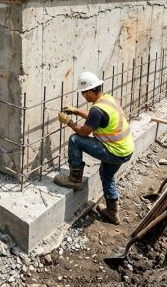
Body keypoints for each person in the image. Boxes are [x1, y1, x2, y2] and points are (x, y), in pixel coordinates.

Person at [54, 71, 135, 224]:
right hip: (126, 149)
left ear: (90, 91)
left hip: (114, 151)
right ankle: (112, 212)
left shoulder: (97, 110)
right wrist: (76, 111)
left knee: (74, 140)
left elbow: (83, 132)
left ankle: (74, 179)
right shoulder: (106, 99)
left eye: (84, 93)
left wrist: (68, 121)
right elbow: (95, 117)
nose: (83, 96)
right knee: (106, 174)